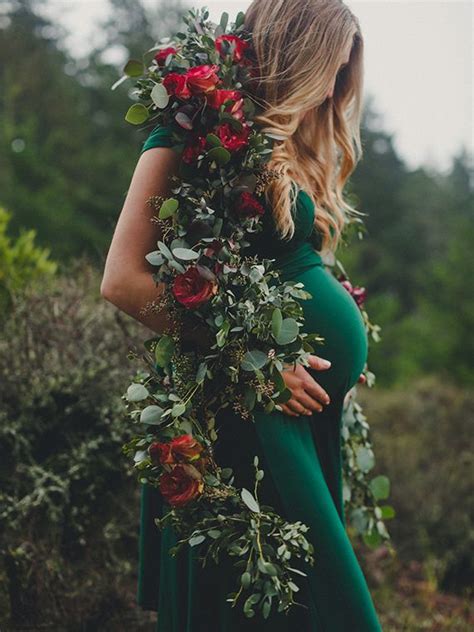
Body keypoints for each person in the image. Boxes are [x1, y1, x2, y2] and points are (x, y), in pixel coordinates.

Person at [100, 0, 383, 629]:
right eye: (328, 71)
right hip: (244, 407)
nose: (333, 92)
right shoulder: (194, 127)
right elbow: (122, 280)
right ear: (295, 55)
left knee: (302, 603)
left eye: (343, 77)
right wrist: (255, 365)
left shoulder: (286, 146)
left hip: (295, 416)